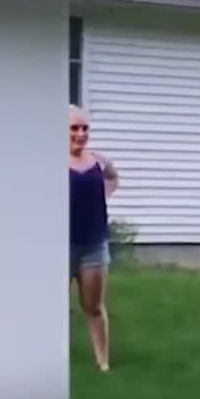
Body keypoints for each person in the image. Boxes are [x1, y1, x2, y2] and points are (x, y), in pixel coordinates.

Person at [69, 104, 119, 372]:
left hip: (93, 245)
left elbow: (112, 177)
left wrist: (104, 195)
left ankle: (103, 363)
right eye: (73, 128)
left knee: (93, 306)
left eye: (84, 128)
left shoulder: (98, 161)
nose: (80, 133)